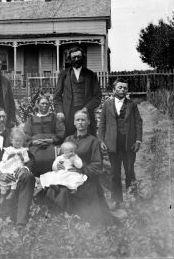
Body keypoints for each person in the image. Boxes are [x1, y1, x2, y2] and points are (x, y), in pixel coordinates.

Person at [37, 110, 111, 224]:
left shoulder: (93, 141)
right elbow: (62, 157)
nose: (80, 122)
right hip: (65, 175)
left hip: (85, 178)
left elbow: (97, 166)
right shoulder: (68, 139)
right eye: (78, 120)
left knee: (64, 192)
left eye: (83, 120)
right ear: (74, 123)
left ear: (89, 122)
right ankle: (52, 220)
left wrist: (80, 169)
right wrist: (60, 165)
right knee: (52, 188)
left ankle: (66, 222)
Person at [98, 78, 143, 208]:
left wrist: (138, 140)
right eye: (120, 88)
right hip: (113, 144)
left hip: (129, 143)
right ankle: (116, 200)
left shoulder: (132, 104)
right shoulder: (107, 104)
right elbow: (102, 124)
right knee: (115, 172)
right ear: (114, 90)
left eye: (125, 88)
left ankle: (131, 198)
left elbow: (138, 122)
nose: (122, 90)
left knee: (129, 170)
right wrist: (101, 140)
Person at [53, 46, 102, 137]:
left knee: (87, 139)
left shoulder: (91, 75)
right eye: (73, 57)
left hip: (86, 113)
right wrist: (59, 111)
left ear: (83, 57)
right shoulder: (63, 74)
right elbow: (57, 96)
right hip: (68, 114)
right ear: (70, 59)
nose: (76, 59)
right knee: (69, 140)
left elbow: (97, 96)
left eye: (79, 57)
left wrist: (87, 108)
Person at [23, 95, 65, 176]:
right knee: (34, 160)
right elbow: (26, 134)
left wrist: (52, 140)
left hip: (51, 145)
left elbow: (61, 132)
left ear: (49, 105)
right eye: (42, 103)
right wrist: (33, 142)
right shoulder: (31, 119)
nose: (44, 105)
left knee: (52, 161)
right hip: (35, 146)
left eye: (46, 103)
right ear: (38, 105)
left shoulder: (54, 118)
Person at [0, 127, 30, 203]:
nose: (18, 143)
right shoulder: (8, 149)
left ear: (23, 141)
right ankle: (2, 195)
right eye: (16, 141)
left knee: (15, 178)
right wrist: (9, 156)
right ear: (11, 141)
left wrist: (21, 157)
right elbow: (4, 159)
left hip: (17, 166)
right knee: (4, 181)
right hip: (8, 166)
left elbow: (27, 159)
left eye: (20, 141)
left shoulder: (23, 150)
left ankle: (12, 192)